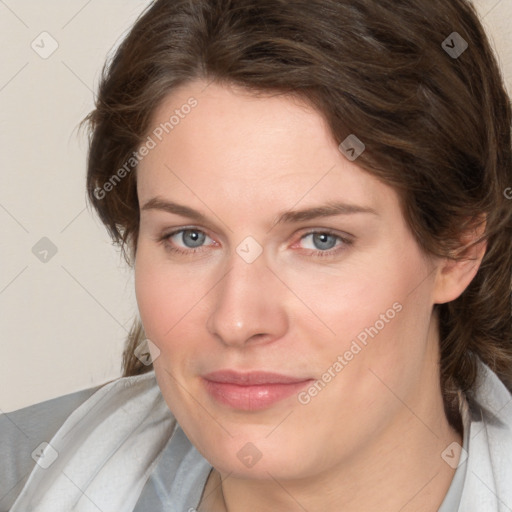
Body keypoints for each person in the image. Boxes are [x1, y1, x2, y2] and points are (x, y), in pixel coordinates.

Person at [2, 0, 511, 510]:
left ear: (456, 250)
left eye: (320, 240)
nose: (237, 321)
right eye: (190, 237)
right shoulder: (19, 471)